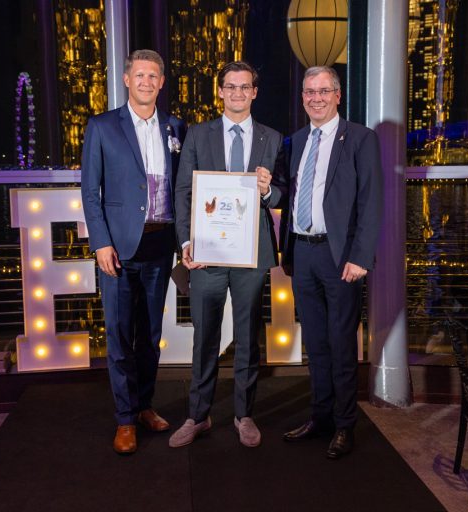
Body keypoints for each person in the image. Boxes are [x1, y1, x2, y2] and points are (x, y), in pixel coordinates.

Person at [169, 61, 285, 448]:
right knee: (205, 336)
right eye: (231, 86)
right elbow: (184, 191)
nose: (238, 93)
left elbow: (283, 193)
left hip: (252, 254)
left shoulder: (273, 138)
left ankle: (243, 415)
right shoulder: (198, 134)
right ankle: (197, 415)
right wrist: (186, 244)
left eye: (245, 86)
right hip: (207, 253)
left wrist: (268, 191)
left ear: (255, 92)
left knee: (248, 337)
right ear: (220, 91)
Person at [81, 49, 186, 455]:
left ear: (161, 82)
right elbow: (91, 192)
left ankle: (144, 405)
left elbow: (183, 187)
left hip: (161, 245)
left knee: (151, 336)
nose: (146, 81)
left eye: (153, 76)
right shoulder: (102, 126)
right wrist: (101, 242)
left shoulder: (175, 126)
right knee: (121, 336)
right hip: (119, 250)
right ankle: (124, 418)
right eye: (139, 75)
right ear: (127, 80)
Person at [278, 66, 383, 459]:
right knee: (316, 344)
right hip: (302, 252)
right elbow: (286, 194)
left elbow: (371, 201)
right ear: (302, 97)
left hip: (341, 258)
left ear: (338, 96)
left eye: (323, 91)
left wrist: (360, 257)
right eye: (309, 91)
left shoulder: (360, 138)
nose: (316, 98)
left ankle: (344, 424)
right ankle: (320, 418)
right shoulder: (295, 141)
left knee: (341, 344)